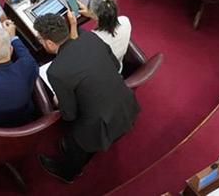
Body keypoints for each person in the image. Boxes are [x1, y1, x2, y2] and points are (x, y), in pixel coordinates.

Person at [33, 13, 139, 183]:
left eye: (40, 39)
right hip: (127, 105)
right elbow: (114, 65)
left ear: (50, 43)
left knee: (77, 147)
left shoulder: (57, 71)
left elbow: (69, 115)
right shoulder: (90, 38)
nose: (40, 42)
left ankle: (68, 173)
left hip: (98, 125)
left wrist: (59, 100)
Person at [83, 0, 131, 73]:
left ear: (94, 15)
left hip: (101, 73)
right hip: (117, 67)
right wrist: (91, 14)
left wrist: (73, 24)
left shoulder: (93, 38)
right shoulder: (125, 21)